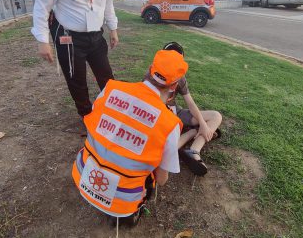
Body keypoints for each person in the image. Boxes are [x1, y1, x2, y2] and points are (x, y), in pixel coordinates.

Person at [72, 50, 188, 225]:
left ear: (150, 70)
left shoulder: (111, 89)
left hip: (83, 177)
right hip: (121, 203)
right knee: (154, 176)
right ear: (174, 86)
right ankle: (129, 214)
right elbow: (162, 180)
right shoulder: (169, 123)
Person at [31, 0, 119, 120]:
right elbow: (42, 6)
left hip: (96, 35)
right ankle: (87, 115)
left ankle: (113, 111)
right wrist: (42, 39)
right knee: (76, 80)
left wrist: (113, 29)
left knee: (107, 76)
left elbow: (108, 4)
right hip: (69, 37)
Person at [162, 42, 222, 176]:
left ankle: (194, 149)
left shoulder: (180, 77)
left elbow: (190, 103)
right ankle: (190, 133)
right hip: (162, 118)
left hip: (176, 113)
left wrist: (202, 124)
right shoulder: (153, 75)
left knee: (215, 116)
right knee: (167, 148)